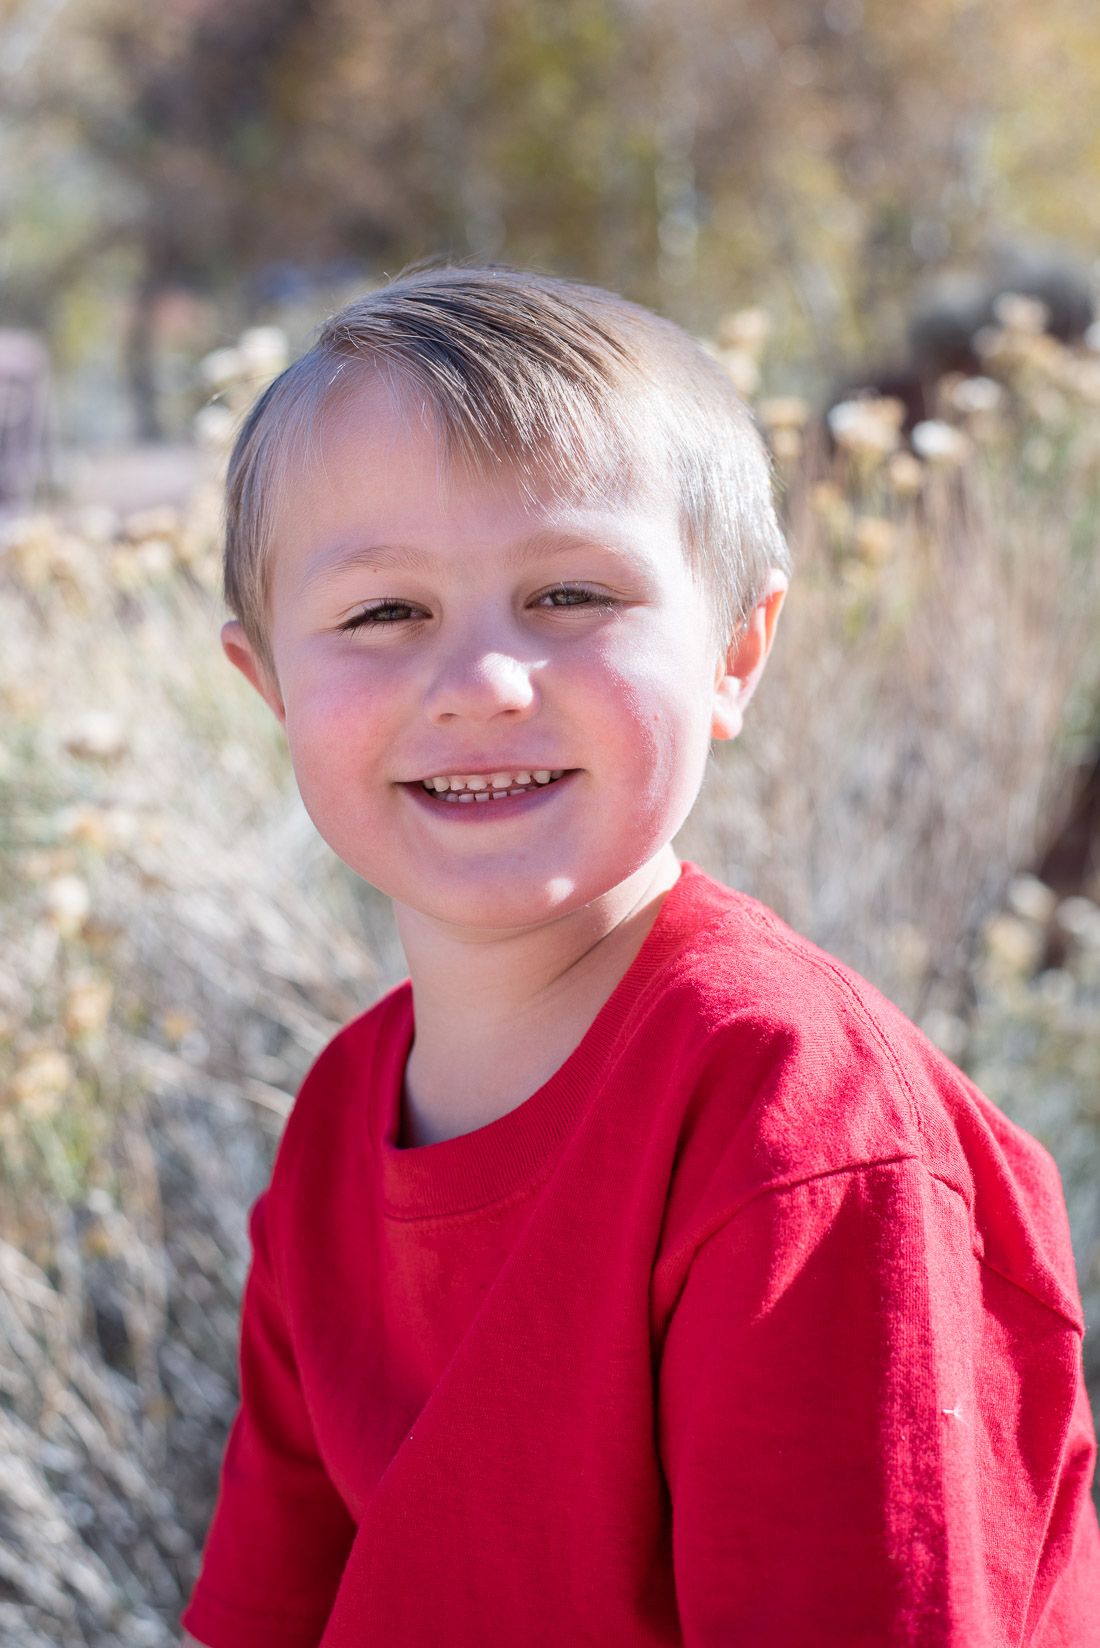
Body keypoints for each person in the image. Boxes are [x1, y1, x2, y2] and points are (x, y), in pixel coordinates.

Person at [180, 265, 1100, 1648]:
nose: (484, 680)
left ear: (738, 653)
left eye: (568, 593)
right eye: (384, 614)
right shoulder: (334, 1124)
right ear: (270, 688)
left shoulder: (792, 1121)